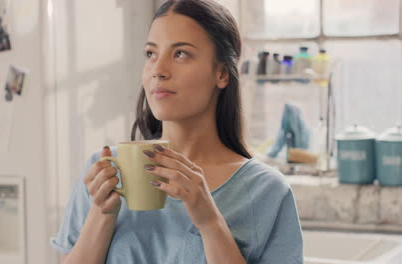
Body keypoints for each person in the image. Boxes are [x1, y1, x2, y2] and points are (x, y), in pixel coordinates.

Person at [50, 0, 303, 263]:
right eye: (151, 54)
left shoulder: (267, 191)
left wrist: (209, 221)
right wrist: (102, 214)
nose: (158, 70)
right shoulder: (105, 172)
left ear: (222, 73)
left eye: (181, 54)